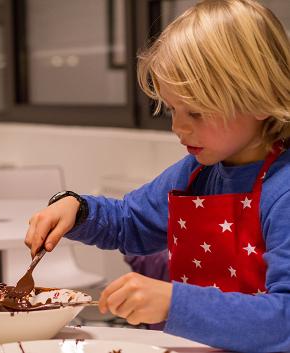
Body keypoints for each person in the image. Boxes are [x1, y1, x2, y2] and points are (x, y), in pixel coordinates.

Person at [24, 0, 290, 351]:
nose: (178, 127)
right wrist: (77, 209)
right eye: (172, 109)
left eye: (195, 112)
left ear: (258, 99)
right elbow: (130, 222)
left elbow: (284, 319)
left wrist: (172, 302)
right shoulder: (198, 171)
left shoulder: (283, 189)